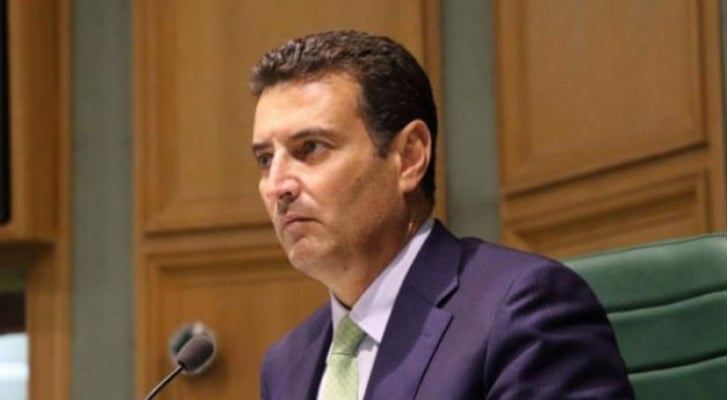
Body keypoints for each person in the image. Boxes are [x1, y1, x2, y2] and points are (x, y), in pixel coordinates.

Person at [249, 30, 634, 400]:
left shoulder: (520, 310)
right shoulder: (286, 365)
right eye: (265, 160)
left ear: (409, 157)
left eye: (311, 148)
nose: (278, 186)